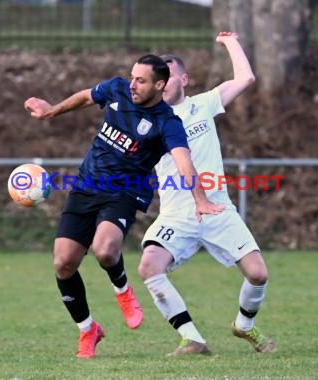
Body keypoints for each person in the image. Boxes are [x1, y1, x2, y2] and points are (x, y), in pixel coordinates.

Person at [24, 54, 225, 359]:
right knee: (63, 263)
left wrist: (201, 199)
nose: (132, 84)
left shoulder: (167, 123)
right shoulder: (117, 89)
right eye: (132, 77)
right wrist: (53, 111)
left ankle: (123, 291)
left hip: (125, 192)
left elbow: (185, 162)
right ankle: (88, 330)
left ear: (160, 85)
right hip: (86, 185)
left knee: (105, 249)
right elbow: (86, 96)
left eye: (141, 80)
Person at [138, 32, 277, 355]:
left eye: (168, 76)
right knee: (149, 266)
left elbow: (246, 78)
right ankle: (192, 339)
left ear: (184, 79)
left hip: (216, 208)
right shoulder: (147, 122)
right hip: (177, 213)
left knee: (258, 274)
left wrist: (230, 42)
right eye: (157, 79)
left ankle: (244, 326)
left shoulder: (204, 104)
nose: (161, 84)